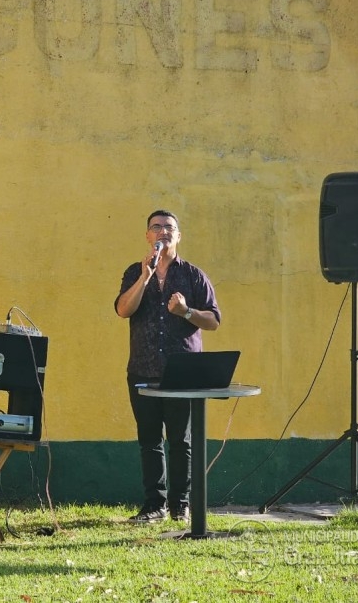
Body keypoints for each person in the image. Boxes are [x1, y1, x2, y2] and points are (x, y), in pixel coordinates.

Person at [114, 210, 221, 524]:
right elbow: (123, 310)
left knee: (180, 441)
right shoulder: (136, 271)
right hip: (142, 369)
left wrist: (186, 312)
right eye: (156, 227)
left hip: (182, 372)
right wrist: (144, 279)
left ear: (178, 236)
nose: (162, 232)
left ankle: (180, 505)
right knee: (149, 441)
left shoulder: (193, 275)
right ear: (148, 236)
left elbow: (214, 320)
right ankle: (154, 505)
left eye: (169, 227)